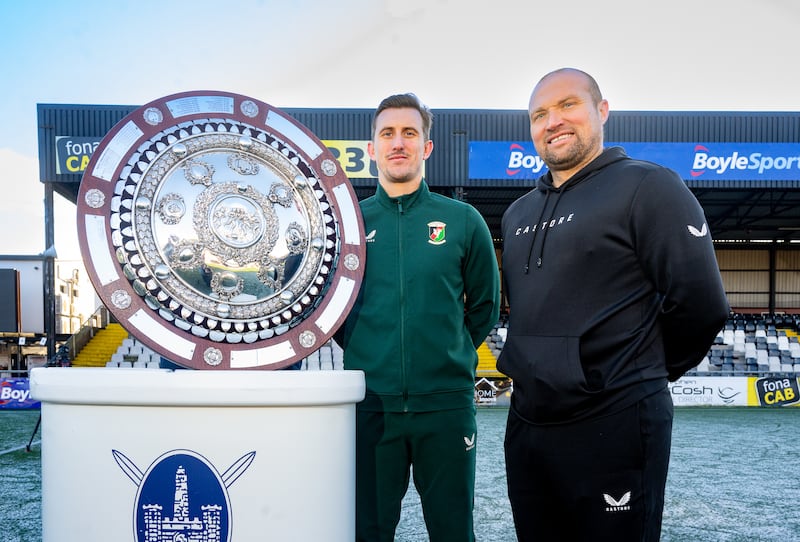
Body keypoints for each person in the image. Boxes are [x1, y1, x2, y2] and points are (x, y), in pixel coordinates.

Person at [499, 68, 729, 541]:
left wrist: (636, 373)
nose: (553, 121)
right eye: (539, 114)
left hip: (616, 423)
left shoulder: (649, 187)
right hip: (528, 427)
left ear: (601, 112)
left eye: (568, 105)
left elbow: (702, 304)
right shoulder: (517, 214)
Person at [336, 93, 500, 541]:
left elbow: (485, 306)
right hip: (371, 407)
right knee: (367, 531)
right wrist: (370, 351)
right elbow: (333, 313)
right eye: (387, 133)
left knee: (452, 532)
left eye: (410, 133)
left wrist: (447, 353)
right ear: (372, 148)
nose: (398, 143)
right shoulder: (348, 226)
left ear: (426, 147)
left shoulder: (463, 220)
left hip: (445, 408)